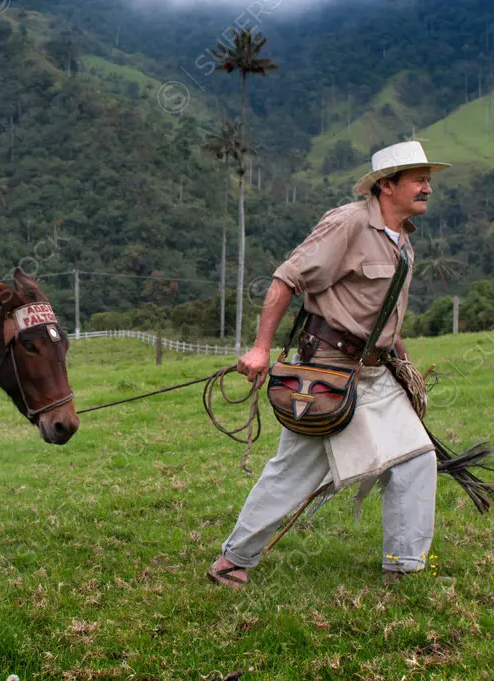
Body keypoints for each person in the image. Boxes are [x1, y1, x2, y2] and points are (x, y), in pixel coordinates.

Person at [207, 141, 450, 588]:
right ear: (386, 185)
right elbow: (287, 278)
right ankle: (233, 561)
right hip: (327, 374)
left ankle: (404, 568)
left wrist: (405, 367)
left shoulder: (404, 242)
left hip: (377, 372)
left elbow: (386, 316)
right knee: (296, 471)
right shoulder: (348, 224)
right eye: (417, 178)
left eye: (427, 178)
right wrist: (261, 349)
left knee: (416, 458)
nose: (427, 187)